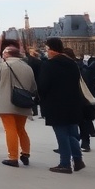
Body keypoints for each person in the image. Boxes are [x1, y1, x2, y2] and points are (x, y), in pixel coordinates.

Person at [38, 38, 86, 174]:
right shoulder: (72, 64)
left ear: (52, 50)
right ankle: (78, 159)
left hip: (55, 104)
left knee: (61, 134)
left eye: (47, 49)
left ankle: (65, 163)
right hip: (73, 103)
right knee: (72, 133)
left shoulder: (49, 65)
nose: (46, 52)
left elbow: (43, 86)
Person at [0, 45, 37, 168]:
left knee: (10, 129)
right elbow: (33, 87)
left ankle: (13, 157)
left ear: (7, 54)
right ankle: (25, 153)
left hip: (6, 102)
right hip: (23, 102)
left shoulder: (1, 66)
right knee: (21, 129)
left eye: (4, 52)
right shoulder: (28, 68)